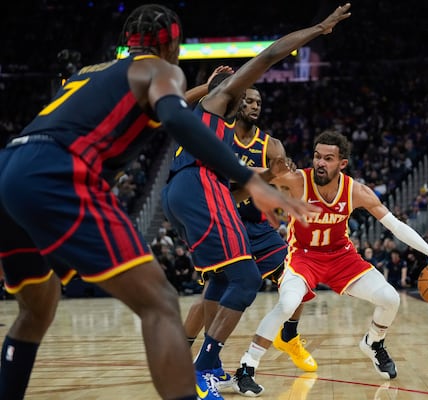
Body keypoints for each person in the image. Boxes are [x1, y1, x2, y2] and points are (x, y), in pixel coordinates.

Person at [0, 4, 316, 400]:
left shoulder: (92, 73)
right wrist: (251, 177)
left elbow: (172, 104)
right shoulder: (160, 69)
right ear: (172, 45)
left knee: (36, 308)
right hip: (61, 173)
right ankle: (202, 371)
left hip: (10, 168)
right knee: (162, 302)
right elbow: (176, 115)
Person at [161, 5, 351, 400]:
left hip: (185, 194)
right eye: (243, 90)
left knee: (227, 279)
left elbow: (238, 186)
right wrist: (318, 28)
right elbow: (269, 55)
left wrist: (269, 182)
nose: (249, 96)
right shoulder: (214, 106)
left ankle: (211, 361)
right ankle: (203, 367)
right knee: (246, 279)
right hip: (198, 188)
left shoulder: (220, 127)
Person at [234, 130, 428, 395]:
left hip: (342, 257)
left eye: (328, 158)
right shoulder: (297, 181)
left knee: (391, 298)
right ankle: (246, 368)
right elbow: (248, 173)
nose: (320, 163)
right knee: (287, 304)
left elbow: (393, 224)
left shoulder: (356, 191)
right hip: (304, 256)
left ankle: (373, 343)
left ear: (342, 163)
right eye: (317, 156)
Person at [181, 86, 316, 381]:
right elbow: (224, 175)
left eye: (258, 102)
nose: (255, 106)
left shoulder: (272, 144)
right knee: (210, 300)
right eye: (249, 101)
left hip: (258, 226)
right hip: (225, 223)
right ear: (235, 103)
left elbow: (281, 180)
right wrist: (263, 171)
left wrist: (286, 176)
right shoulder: (219, 134)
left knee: (299, 279)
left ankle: (289, 335)